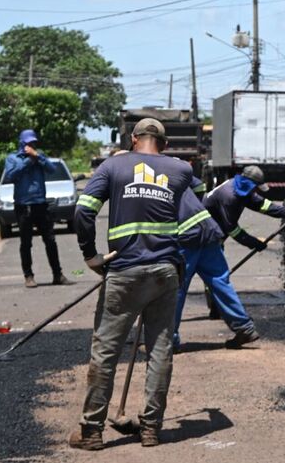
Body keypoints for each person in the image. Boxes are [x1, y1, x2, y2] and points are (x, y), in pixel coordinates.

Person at [69, 118, 193, 450]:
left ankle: (91, 431)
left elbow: (83, 212)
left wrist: (90, 255)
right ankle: (151, 428)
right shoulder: (180, 171)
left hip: (123, 272)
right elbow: (198, 222)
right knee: (160, 350)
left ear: (133, 139)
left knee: (106, 352)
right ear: (164, 145)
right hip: (165, 273)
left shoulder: (114, 167)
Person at [202, 165, 285, 338]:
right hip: (204, 237)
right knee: (214, 276)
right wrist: (253, 243)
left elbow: (264, 205)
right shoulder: (229, 195)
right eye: (255, 187)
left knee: (216, 276)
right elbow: (232, 229)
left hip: (216, 235)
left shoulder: (243, 189)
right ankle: (217, 311)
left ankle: (217, 310)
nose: (256, 191)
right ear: (248, 182)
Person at [174, 176, 267, 350]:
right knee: (219, 280)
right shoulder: (175, 167)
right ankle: (244, 327)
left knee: (176, 286)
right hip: (206, 227)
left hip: (185, 236)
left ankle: (169, 340)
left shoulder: (143, 176)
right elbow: (199, 185)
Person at [3, 129, 70, 288]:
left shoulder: (39, 156)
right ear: (22, 143)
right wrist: (28, 161)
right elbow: (11, 175)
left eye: (33, 142)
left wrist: (37, 157)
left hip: (40, 204)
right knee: (26, 243)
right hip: (23, 205)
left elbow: (51, 169)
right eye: (28, 143)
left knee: (50, 240)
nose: (32, 145)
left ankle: (57, 274)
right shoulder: (13, 158)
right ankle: (29, 276)